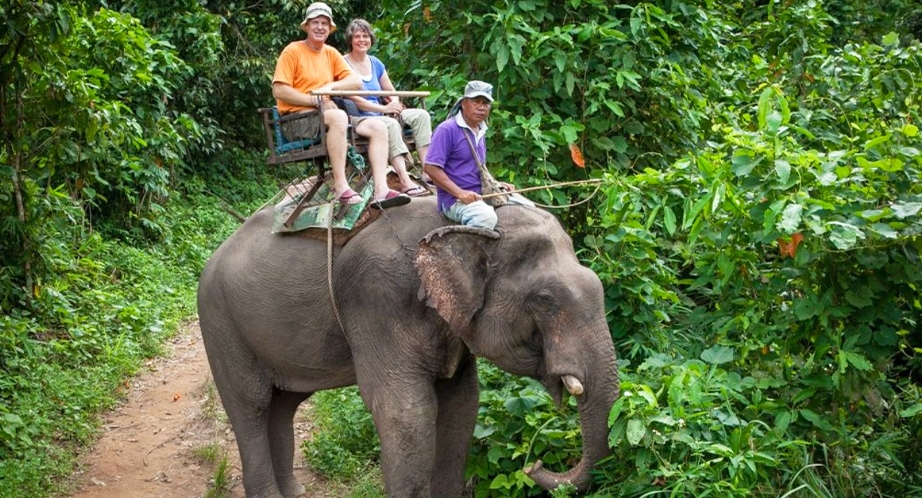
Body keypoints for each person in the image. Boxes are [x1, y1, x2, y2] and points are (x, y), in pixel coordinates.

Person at [272, 2, 409, 208]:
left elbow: (355, 82)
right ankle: (340, 185)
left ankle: (381, 190)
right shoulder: (293, 51)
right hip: (297, 121)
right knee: (339, 117)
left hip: (324, 116)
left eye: (325, 24)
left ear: (330, 28)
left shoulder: (331, 53)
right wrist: (315, 101)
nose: (320, 27)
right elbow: (279, 90)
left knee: (379, 126)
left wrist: (329, 88)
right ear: (306, 27)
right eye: (315, 23)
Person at [423, 80, 534, 230]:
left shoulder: (481, 130)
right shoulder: (447, 129)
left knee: (529, 207)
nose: (481, 107)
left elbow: (476, 167)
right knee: (485, 218)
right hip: (454, 199)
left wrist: (496, 184)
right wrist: (460, 193)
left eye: (486, 103)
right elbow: (430, 168)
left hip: (481, 193)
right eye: (476, 102)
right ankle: (462, 252)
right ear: (463, 103)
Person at [342, 18, 431, 197]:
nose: (362, 40)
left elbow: (390, 89)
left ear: (371, 39)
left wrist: (395, 103)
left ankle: (428, 170)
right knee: (389, 124)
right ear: (350, 40)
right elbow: (353, 98)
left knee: (421, 115)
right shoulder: (343, 63)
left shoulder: (375, 62)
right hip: (363, 116)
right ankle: (405, 179)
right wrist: (383, 110)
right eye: (357, 36)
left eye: (365, 36)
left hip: (383, 110)